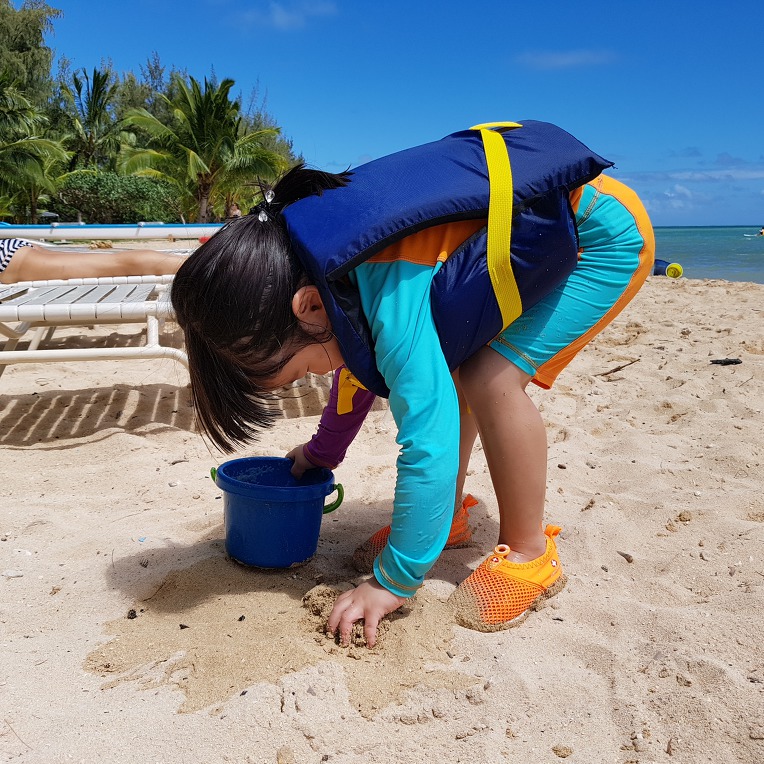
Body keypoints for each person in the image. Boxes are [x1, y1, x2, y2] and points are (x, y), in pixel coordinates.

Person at [171, 120, 655, 648]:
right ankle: (448, 520)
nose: (318, 375)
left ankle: (528, 552)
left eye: (304, 370)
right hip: (532, 228)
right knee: (452, 368)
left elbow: (429, 439)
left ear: (307, 307)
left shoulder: (387, 298)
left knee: (488, 376)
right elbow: (355, 374)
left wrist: (393, 579)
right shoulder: (326, 277)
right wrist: (320, 455)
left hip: (599, 236)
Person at [0, 237, 187, 284]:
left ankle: (196, 265)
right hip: (10, 254)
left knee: (120, 264)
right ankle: (194, 263)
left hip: (9, 259)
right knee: (117, 263)